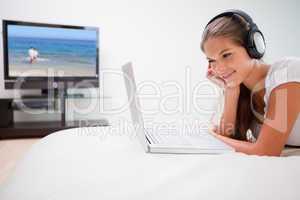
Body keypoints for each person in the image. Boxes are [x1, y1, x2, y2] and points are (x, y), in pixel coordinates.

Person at [201, 9, 300, 156]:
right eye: (212, 60)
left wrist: (212, 137)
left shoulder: (287, 71)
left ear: (253, 48)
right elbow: (229, 138)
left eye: (226, 55)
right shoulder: (239, 88)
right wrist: (231, 91)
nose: (219, 68)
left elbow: (267, 150)